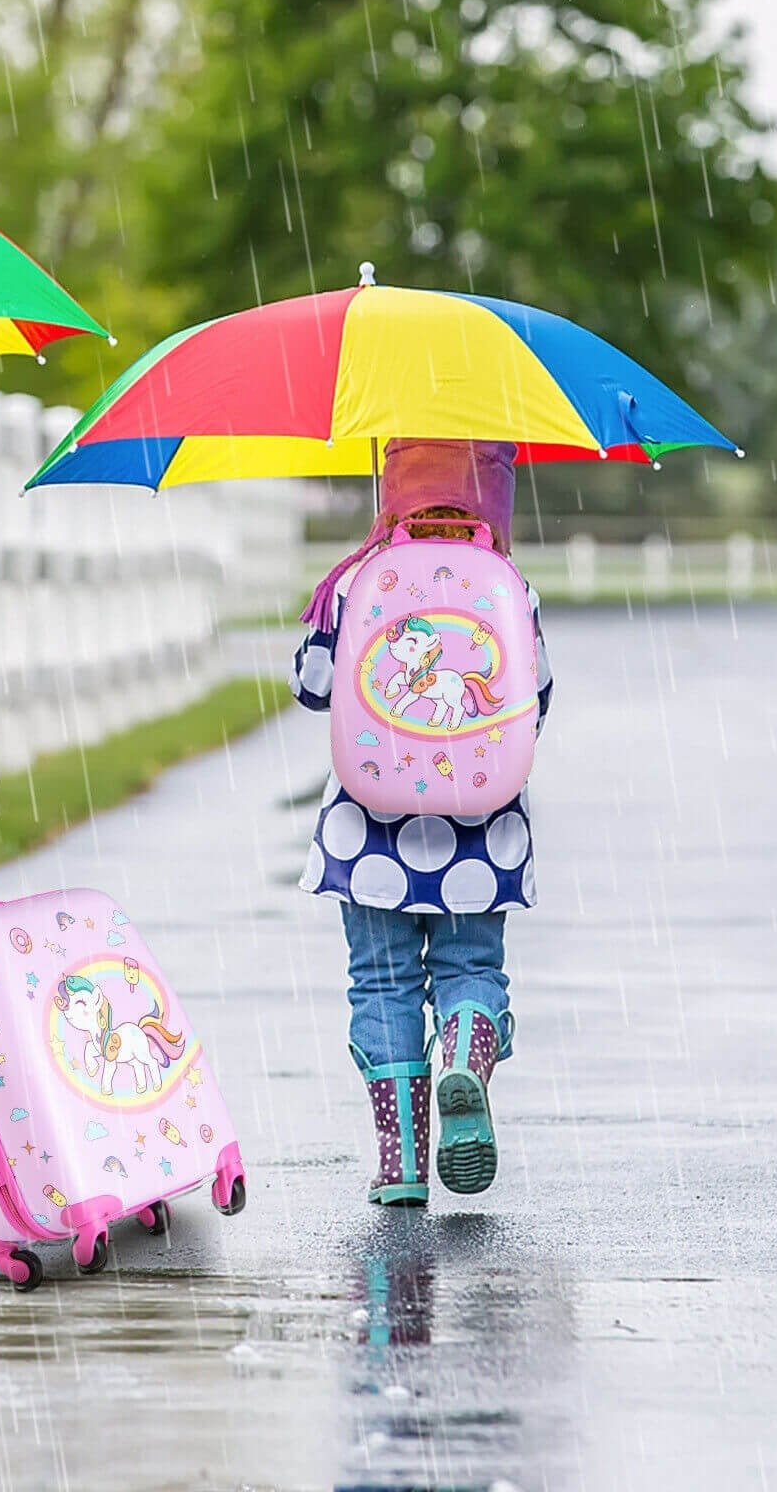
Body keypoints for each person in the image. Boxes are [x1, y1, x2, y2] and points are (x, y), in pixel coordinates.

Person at [289, 439, 551, 1205]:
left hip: (370, 834)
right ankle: (466, 1049)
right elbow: (535, 701)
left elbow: (311, 687)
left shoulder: (360, 582)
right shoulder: (509, 585)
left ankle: (401, 1161)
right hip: (484, 831)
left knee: (382, 983)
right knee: (471, 969)